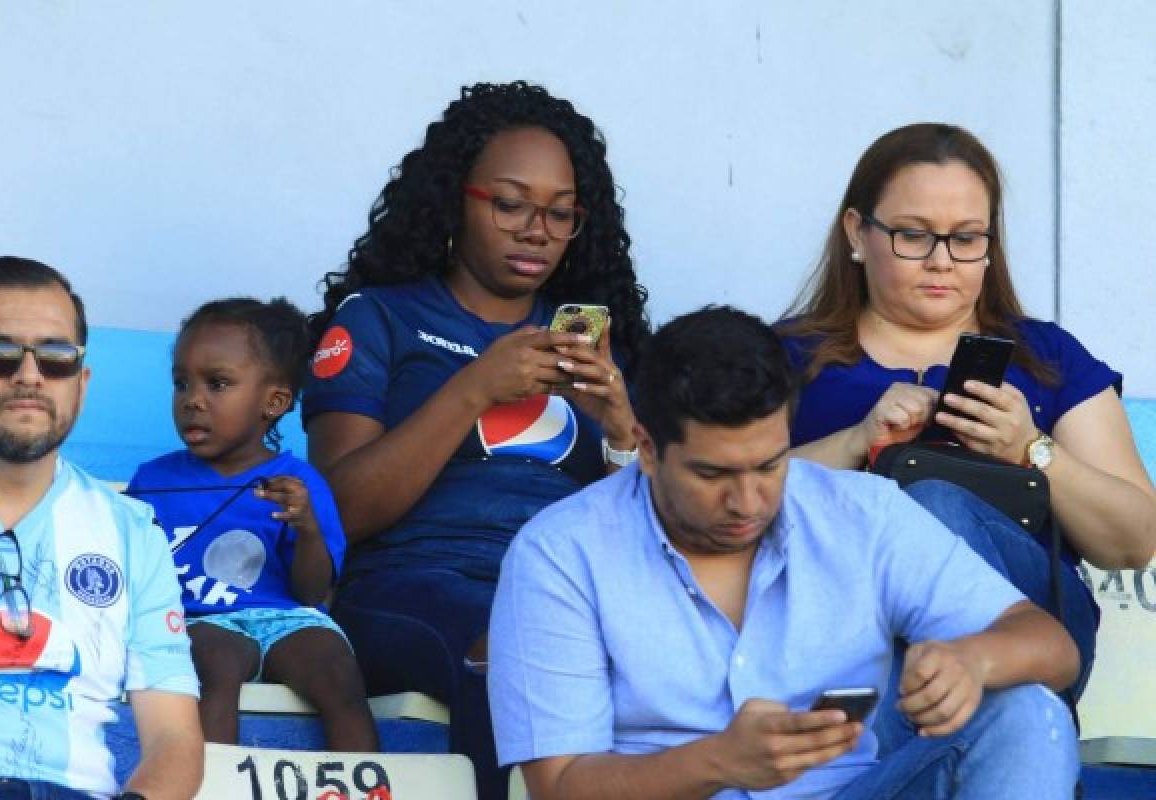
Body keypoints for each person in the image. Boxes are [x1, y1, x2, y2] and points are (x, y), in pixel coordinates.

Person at [489, 306, 1081, 800]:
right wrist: (717, 762)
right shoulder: (560, 553)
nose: (747, 500)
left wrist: (975, 660)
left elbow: (1052, 646)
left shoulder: (861, 513)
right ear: (646, 449)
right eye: (713, 473)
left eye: (769, 465)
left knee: (1028, 713)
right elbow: (560, 786)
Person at [303, 80, 648, 799]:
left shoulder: (590, 339)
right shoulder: (379, 319)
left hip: (559, 584)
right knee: (510, 643)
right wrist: (471, 390)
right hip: (412, 586)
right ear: (454, 201)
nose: (537, 230)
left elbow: (641, 537)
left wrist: (619, 430)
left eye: (560, 213)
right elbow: (336, 515)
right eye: (511, 203)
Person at [777, 122, 1156, 705]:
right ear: (857, 232)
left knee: (933, 504)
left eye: (967, 238)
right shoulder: (789, 357)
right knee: (915, 507)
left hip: (1027, 641)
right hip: (839, 636)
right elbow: (724, 501)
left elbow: (1135, 540)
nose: (941, 261)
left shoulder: (1046, 357)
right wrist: (855, 443)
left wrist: (1031, 452)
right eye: (914, 235)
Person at [0, 257, 202, 800]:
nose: (30, 374)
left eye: (56, 357)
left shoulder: (134, 532)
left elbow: (173, 736)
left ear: (81, 383)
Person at [127, 298, 378, 752]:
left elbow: (309, 594)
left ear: (274, 401)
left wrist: (307, 529)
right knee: (212, 661)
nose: (193, 401)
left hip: (287, 621)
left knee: (338, 671)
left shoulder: (300, 484)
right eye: (181, 384)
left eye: (217, 383)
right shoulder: (153, 480)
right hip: (199, 620)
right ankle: (213, 787)